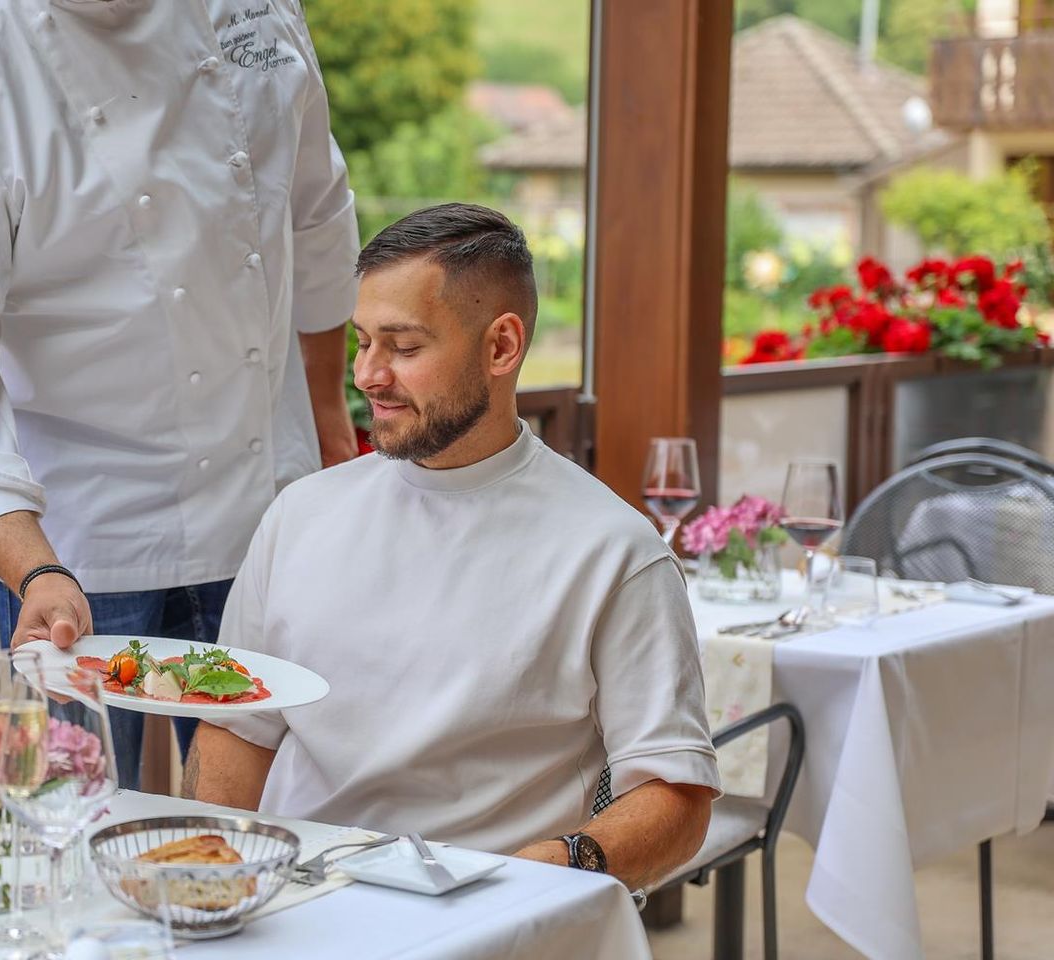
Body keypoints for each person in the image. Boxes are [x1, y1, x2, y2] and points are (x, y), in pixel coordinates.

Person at [0, 0, 359, 789]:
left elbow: (315, 216)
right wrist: (34, 571)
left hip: (271, 503)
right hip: (79, 546)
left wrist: (331, 420)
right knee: (68, 823)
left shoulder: (258, 9)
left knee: (284, 821)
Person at [187, 203, 720, 889]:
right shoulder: (300, 515)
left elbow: (676, 793)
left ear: (501, 347)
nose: (368, 375)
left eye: (404, 347)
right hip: (292, 906)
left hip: (487, 913)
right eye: (363, 342)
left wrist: (552, 866)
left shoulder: (613, 550)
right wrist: (200, 877)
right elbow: (238, 731)